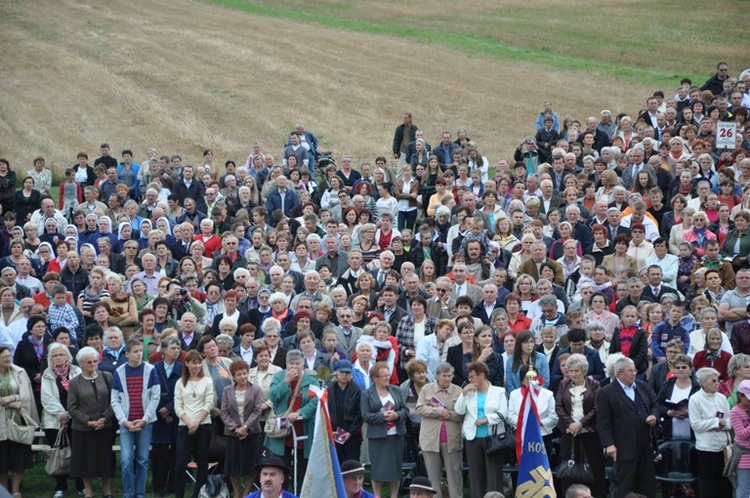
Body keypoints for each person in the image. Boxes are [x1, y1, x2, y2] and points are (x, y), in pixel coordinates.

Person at [597, 356, 659, 498]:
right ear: (619, 373)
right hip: (623, 446)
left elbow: (654, 404)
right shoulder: (607, 392)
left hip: (645, 444)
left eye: (635, 370)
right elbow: (603, 421)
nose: (634, 373)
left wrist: (654, 416)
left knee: (647, 482)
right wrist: (609, 444)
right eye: (630, 371)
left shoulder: (642, 386)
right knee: (624, 483)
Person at [110, 339, 161, 498]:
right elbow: (115, 400)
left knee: (142, 460)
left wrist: (145, 419)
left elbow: (155, 397)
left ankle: (140, 493)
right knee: (126, 461)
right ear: (127, 354)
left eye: (140, 351)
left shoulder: (150, 369)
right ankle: (128, 493)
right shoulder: (119, 372)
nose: (139, 354)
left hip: (145, 422)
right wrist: (124, 421)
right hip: (127, 423)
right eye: (135, 351)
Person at [554, 354, 607, 497]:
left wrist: (581, 423)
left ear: (584, 371)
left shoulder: (595, 385)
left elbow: (597, 408)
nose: (573, 374)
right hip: (569, 433)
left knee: (593, 469)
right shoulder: (563, 384)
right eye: (570, 371)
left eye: (576, 371)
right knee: (569, 470)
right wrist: (572, 424)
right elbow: (558, 406)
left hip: (590, 434)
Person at [455, 361, 507, 498]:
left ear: (482, 375)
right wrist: (464, 393)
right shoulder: (470, 392)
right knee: (476, 475)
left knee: (493, 474)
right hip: (473, 437)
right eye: (469, 377)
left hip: (493, 438)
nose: (469, 380)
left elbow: (503, 413)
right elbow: (458, 410)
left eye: (472, 376)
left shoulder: (499, 391)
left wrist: (486, 419)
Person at [68, 346, 115, 498]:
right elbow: (72, 408)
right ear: (81, 363)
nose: (93, 364)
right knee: (85, 460)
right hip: (83, 429)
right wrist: (88, 422)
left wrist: (106, 417)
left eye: (95, 361)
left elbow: (114, 400)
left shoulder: (107, 376)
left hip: (105, 426)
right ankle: (88, 491)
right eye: (89, 362)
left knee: (105, 458)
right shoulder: (75, 382)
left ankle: (106, 490)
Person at [265, 350, 317, 483]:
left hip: (302, 426)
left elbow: (316, 401)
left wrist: (301, 412)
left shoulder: (311, 379)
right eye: (291, 363)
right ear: (286, 364)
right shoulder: (278, 376)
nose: (294, 367)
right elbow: (272, 396)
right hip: (282, 423)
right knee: (282, 462)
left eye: (297, 363)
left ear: (303, 364)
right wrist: (286, 382)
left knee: (302, 465)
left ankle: (300, 492)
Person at [41, 342, 84, 498]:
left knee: (78, 452)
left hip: (76, 419)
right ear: (50, 359)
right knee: (58, 452)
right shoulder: (47, 374)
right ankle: (60, 486)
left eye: (61, 354)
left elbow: (82, 395)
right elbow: (47, 399)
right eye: (55, 355)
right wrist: (62, 415)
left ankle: (81, 486)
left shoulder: (77, 371)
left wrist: (70, 414)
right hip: (54, 421)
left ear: (68, 356)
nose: (59, 358)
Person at [361, 361, 409, 498]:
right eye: (384, 376)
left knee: (396, 469)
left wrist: (396, 415)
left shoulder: (396, 390)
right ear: (375, 378)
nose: (387, 378)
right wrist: (383, 417)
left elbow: (405, 410)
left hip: (396, 435)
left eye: (388, 375)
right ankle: (377, 496)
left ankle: (394, 496)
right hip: (378, 437)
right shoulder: (366, 394)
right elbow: (365, 415)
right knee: (378, 469)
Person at [414, 362, 463, 498]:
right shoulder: (427, 389)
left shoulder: (458, 391)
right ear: (437, 376)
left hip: (452, 439)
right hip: (430, 439)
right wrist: (438, 411)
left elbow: (461, 414)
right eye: (444, 376)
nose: (447, 379)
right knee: (433, 477)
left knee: (454, 475)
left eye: (449, 376)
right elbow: (420, 408)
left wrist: (448, 414)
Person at [173, 350, 215, 498]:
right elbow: (178, 405)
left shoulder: (207, 381)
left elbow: (209, 403)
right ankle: (179, 494)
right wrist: (189, 422)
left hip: (203, 425)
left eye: (199, 363)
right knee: (180, 463)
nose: (197, 366)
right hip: (184, 426)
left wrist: (197, 422)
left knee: (202, 462)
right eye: (193, 362)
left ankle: (198, 494)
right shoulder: (180, 383)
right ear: (187, 363)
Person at [220, 360, 264, 498]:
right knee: (233, 465)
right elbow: (224, 412)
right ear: (233, 377)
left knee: (250, 465)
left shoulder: (256, 389)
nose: (243, 377)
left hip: (251, 433)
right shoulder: (227, 391)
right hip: (232, 434)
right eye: (239, 375)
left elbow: (257, 410)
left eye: (245, 373)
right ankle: (237, 494)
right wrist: (236, 429)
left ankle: (247, 493)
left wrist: (245, 428)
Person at [689, 367, 733, 498]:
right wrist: (716, 422)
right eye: (713, 380)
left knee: (725, 484)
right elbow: (695, 425)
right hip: (706, 449)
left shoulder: (721, 398)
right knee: (708, 486)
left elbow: (730, 420)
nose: (717, 383)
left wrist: (724, 423)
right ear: (703, 382)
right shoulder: (695, 399)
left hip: (723, 448)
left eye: (718, 380)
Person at [151, 336, 182, 498]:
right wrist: (161, 410)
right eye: (173, 348)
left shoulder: (183, 369)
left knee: (176, 453)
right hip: (158, 416)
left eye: (178, 348)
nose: (176, 351)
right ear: (163, 350)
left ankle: (173, 484)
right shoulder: (153, 368)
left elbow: (184, 393)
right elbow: (149, 392)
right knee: (159, 454)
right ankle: (158, 485)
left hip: (177, 415)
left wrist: (170, 409)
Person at [656, 354, 699, 441]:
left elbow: (703, 408)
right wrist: (669, 412)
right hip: (670, 434)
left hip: (693, 435)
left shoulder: (697, 387)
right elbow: (658, 405)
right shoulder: (667, 385)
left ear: (690, 369)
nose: (680, 370)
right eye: (678, 367)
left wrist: (690, 413)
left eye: (684, 367)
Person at [327, 360, 363, 464]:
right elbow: (325, 412)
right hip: (334, 434)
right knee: (335, 465)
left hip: (352, 436)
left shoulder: (357, 390)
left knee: (352, 464)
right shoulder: (329, 389)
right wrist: (330, 430)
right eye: (341, 372)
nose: (344, 375)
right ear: (336, 373)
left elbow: (359, 413)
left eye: (347, 373)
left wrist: (351, 432)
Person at [730, 379, 750, 498]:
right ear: (740, 395)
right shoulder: (735, 412)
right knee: (743, 491)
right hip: (744, 457)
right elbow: (741, 434)